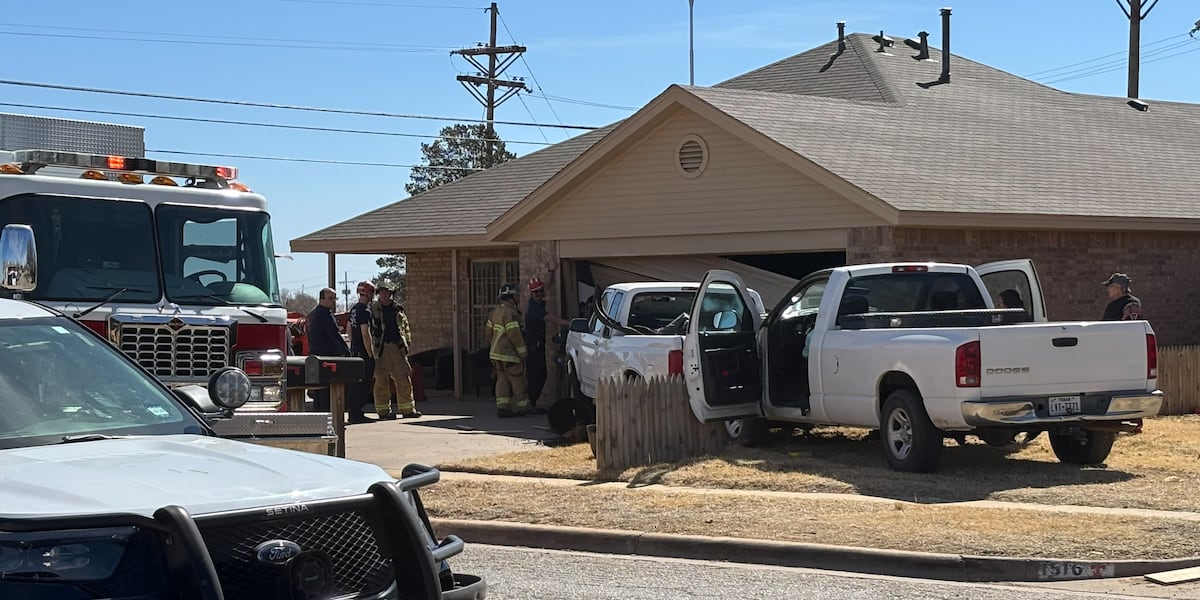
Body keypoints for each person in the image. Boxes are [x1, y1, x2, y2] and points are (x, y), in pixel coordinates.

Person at [369, 281, 421, 420]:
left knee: (404, 379)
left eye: (388, 292)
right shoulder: (372, 309)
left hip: (397, 349)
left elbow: (406, 328)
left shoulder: (398, 310)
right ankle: (383, 411)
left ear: (392, 294)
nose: (385, 295)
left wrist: (406, 343)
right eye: (382, 292)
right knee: (381, 381)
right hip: (381, 349)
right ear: (378, 293)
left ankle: (408, 410)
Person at [524, 276, 570, 412]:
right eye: (536, 293)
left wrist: (551, 273)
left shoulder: (537, 302)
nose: (539, 295)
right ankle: (530, 404)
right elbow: (551, 318)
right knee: (537, 374)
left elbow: (547, 289)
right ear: (531, 294)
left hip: (538, 345)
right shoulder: (534, 309)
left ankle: (531, 403)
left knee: (540, 373)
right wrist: (570, 323)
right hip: (534, 346)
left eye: (540, 291)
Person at [486, 283, 529, 418]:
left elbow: (488, 333)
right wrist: (523, 353)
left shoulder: (495, 311)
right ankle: (521, 407)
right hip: (509, 354)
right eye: (516, 296)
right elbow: (514, 334)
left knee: (502, 379)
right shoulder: (511, 313)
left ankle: (502, 407)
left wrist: (494, 346)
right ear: (510, 298)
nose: (518, 298)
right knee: (517, 380)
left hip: (495, 354)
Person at [306, 287, 349, 412]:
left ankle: (318, 419)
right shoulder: (325, 315)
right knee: (326, 393)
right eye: (330, 298)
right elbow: (334, 335)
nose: (333, 301)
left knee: (319, 392)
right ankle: (327, 420)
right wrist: (346, 352)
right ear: (321, 299)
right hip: (327, 358)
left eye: (334, 298)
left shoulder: (312, 314)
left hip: (315, 357)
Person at [345, 281, 377, 424]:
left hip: (355, 352)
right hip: (364, 354)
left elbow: (349, 330)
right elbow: (366, 334)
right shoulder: (365, 311)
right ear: (368, 293)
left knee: (355, 385)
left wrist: (353, 346)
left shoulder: (353, 310)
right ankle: (357, 414)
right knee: (363, 385)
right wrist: (370, 354)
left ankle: (354, 412)